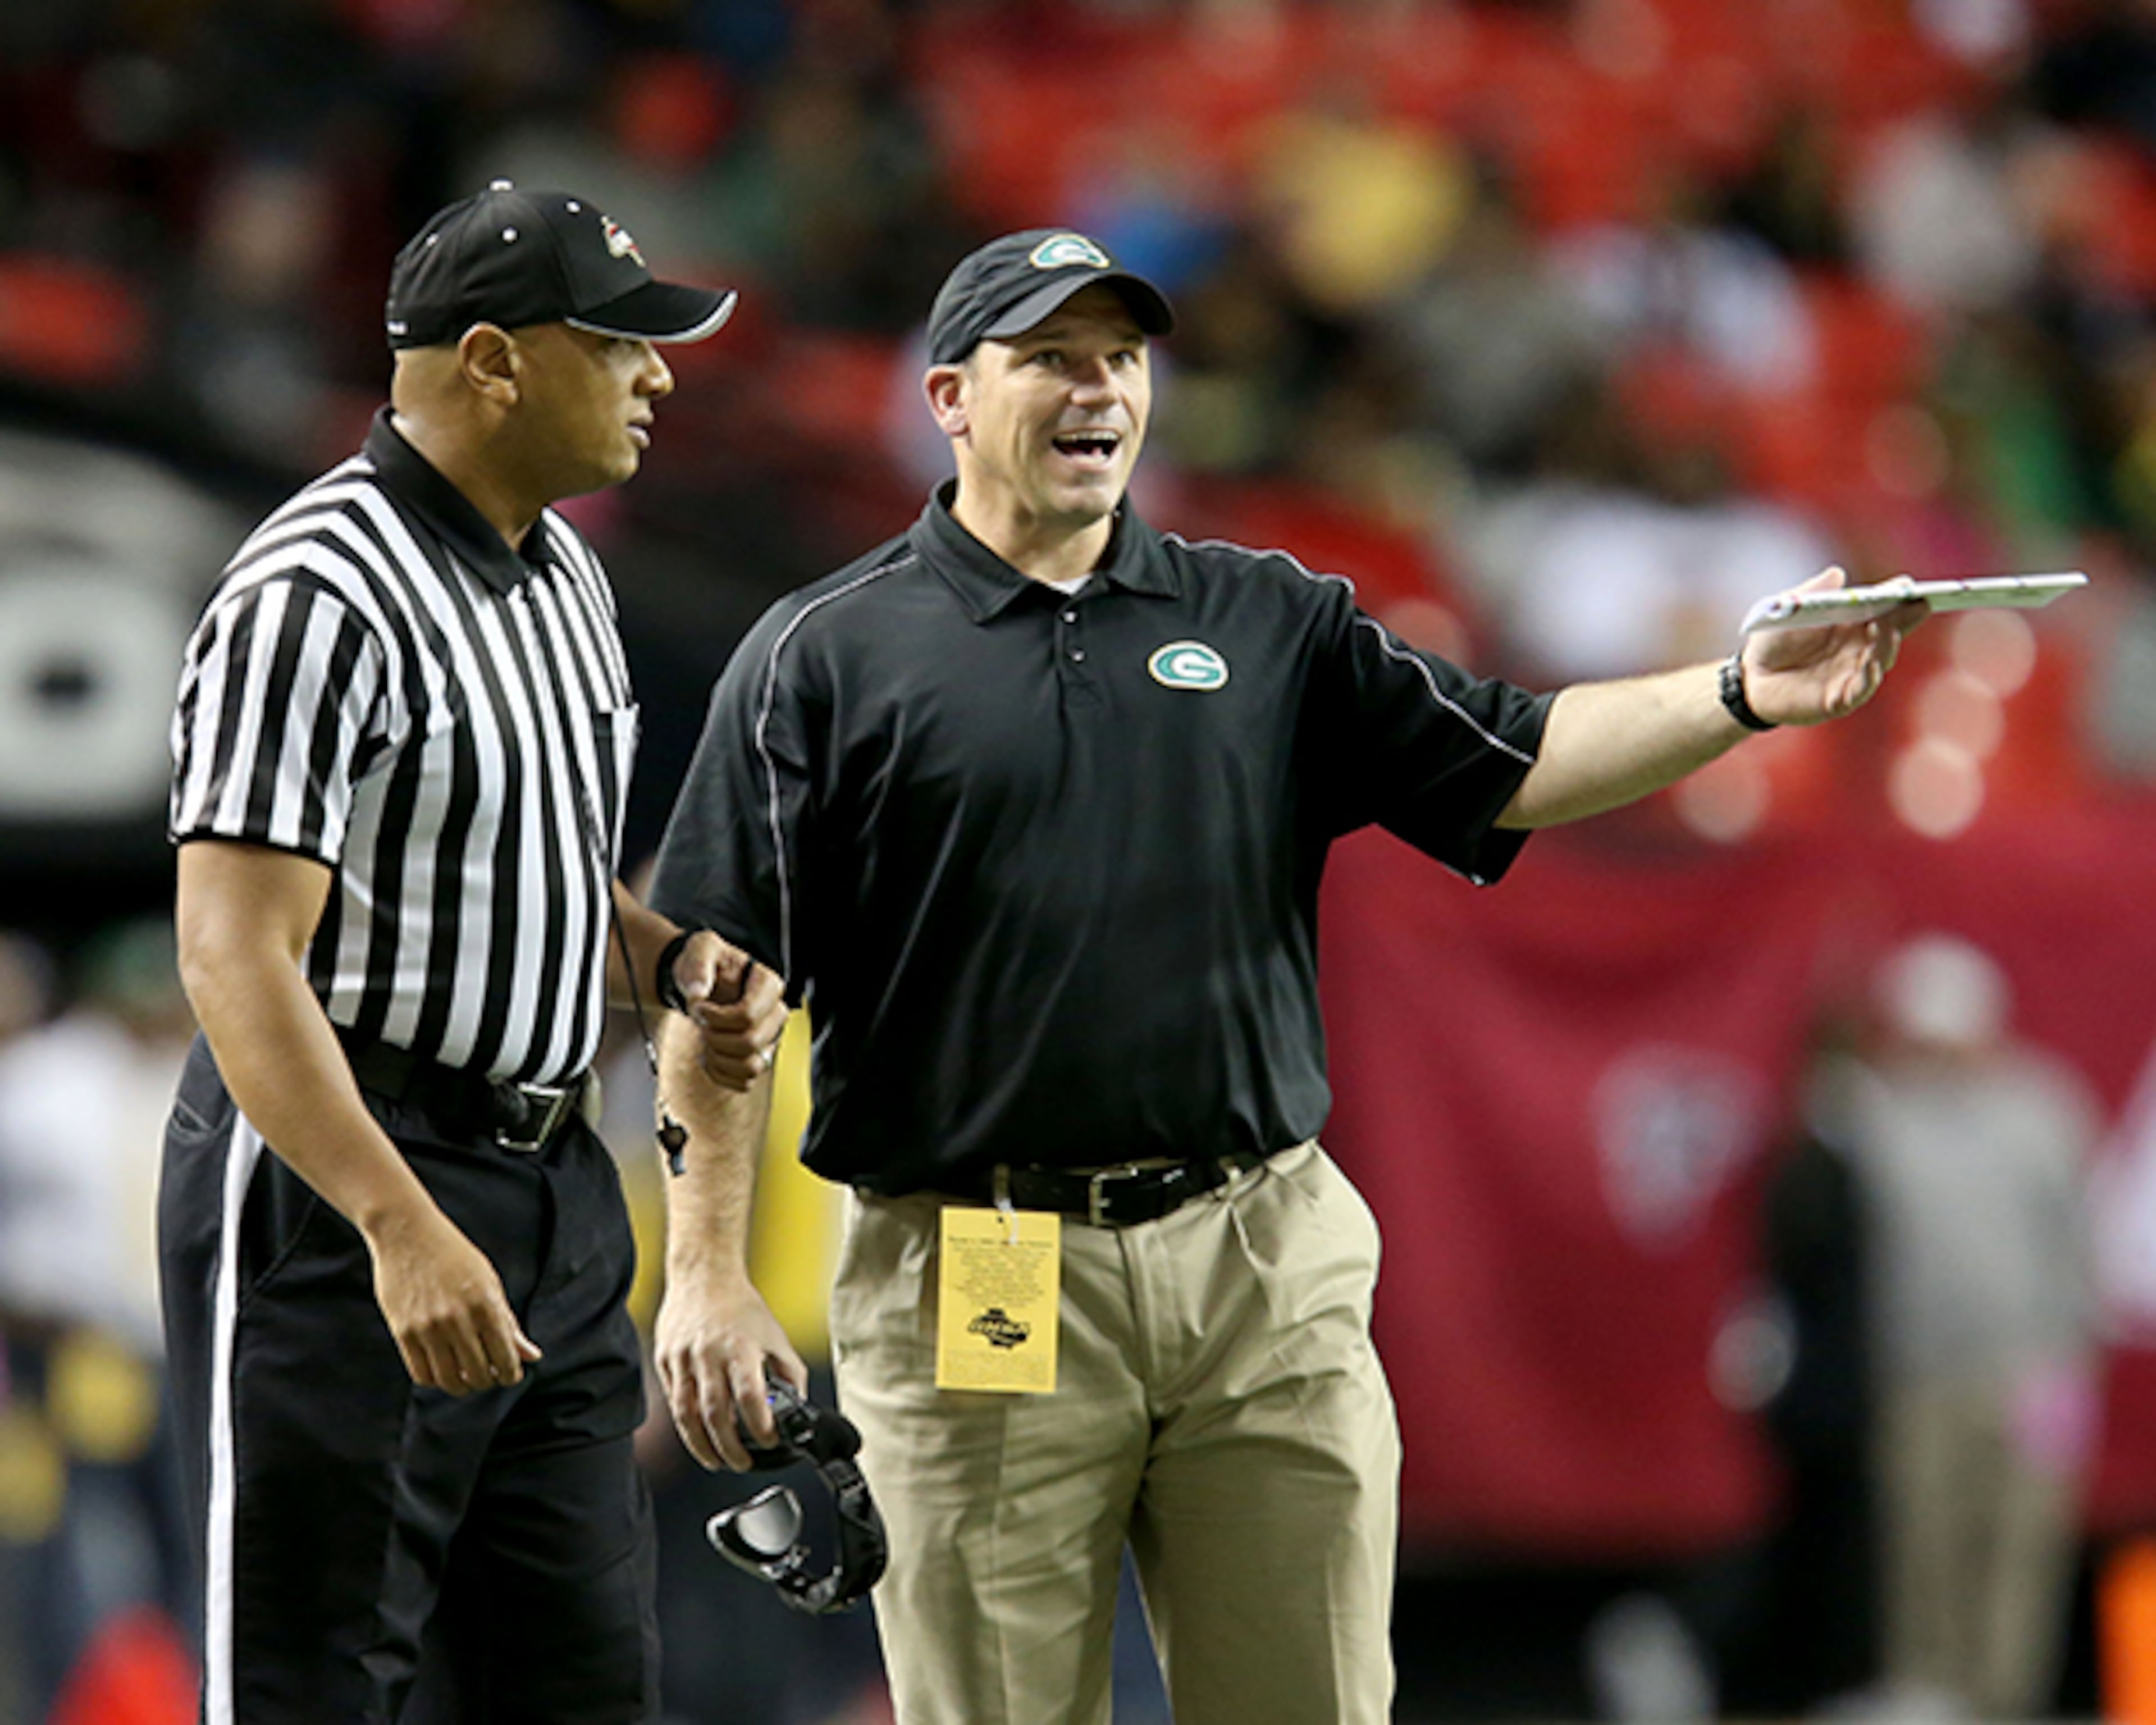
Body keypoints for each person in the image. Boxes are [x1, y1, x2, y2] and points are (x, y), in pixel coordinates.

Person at [641, 227, 1925, 1725]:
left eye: (1120, 357)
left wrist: (1736, 696)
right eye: (1049, 357)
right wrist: (711, 1273)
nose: (1097, 387)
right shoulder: (826, 656)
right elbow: (715, 991)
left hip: (1258, 1246)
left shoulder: (1265, 620)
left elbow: (1518, 760)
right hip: (982, 1260)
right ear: (947, 394)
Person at [159, 180, 785, 1725]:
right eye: (622, 343)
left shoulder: (567, 574)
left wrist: (674, 962)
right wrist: (392, 1220)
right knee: (317, 1684)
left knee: (578, 1685)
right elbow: (238, 957)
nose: (659, 375)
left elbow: (541, 894)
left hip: (553, 1183)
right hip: (345, 1182)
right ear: (494, 362)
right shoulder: (314, 593)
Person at [1833, 933, 2102, 1719]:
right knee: (1925, 1542)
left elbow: (2073, 1246)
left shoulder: (2043, 1110)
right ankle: (1932, 1693)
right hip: (1920, 1372)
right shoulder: (1878, 1117)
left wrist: (2068, 1374)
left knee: (2022, 1551)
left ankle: (2005, 1699)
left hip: (2034, 1372)